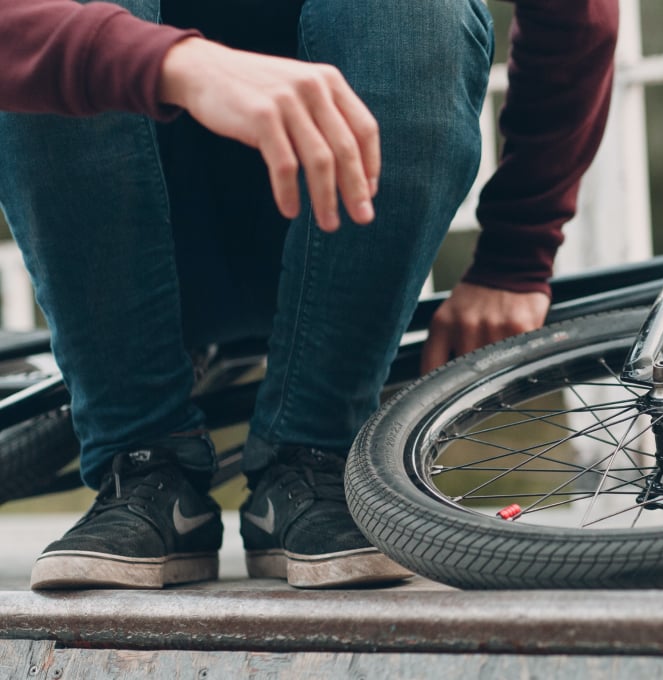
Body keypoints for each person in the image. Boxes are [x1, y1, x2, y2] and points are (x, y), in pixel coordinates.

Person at [0, 0, 617, 589]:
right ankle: (138, 464)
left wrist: (515, 256)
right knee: (49, 17)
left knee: (411, 10)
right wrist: (179, 64)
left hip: (349, 237)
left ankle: (315, 457)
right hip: (123, 237)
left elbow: (572, 15)